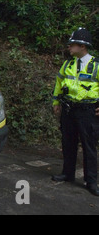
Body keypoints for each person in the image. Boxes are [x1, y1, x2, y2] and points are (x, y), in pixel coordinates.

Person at [52, 27, 99, 196]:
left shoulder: (96, 65)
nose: (69, 47)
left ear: (82, 46)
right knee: (68, 142)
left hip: (87, 111)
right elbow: (59, 83)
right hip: (68, 109)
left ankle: (91, 181)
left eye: (72, 45)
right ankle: (68, 173)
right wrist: (56, 102)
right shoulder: (68, 64)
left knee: (89, 146)